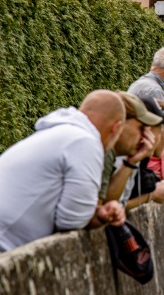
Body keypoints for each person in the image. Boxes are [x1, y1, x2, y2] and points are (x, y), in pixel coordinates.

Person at [0, 90, 126, 252]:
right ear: (116, 128)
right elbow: (72, 221)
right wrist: (95, 215)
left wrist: (98, 214)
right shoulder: (86, 142)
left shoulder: (58, 132)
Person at [100, 92, 161, 204]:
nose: (144, 137)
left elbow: (108, 204)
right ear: (119, 125)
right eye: (140, 128)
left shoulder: (109, 152)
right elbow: (99, 211)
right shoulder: (101, 152)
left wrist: (131, 161)